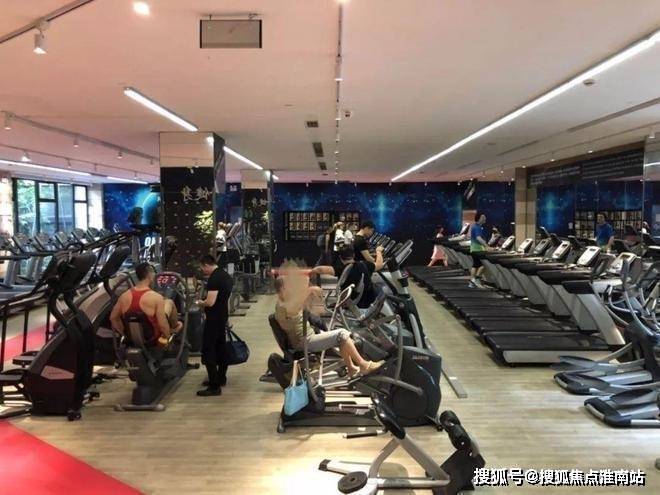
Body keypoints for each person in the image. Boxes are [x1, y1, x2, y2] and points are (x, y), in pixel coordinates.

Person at [274, 275, 383, 377]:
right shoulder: (286, 306)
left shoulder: (283, 303)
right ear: (283, 288)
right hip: (306, 341)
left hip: (305, 338)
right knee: (341, 334)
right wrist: (309, 288)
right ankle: (363, 365)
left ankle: (351, 368)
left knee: (342, 338)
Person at [110, 263, 179, 347]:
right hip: (153, 339)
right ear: (150, 275)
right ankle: (175, 326)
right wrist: (168, 339)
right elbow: (162, 324)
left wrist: (124, 334)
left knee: (168, 302)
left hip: (131, 339)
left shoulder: (124, 296)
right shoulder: (156, 297)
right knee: (169, 302)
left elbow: (113, 318)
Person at [195, 254, 234, 396]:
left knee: (208, 349)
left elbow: (210, 302)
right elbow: (225, 299)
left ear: (206, 265)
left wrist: (200, 302)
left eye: (202, 268)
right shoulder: (225, 276)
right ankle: (221, 377)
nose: (202, 270)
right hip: (222, 316)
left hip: (213, 319)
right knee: (220, 347)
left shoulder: (214, 279)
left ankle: (214, 386)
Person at [469, 212, 489, 288]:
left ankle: (472, 282)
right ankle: (476, 280)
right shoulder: (477, 227)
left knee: (475, 265)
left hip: (474, 249)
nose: (485, 218)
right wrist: (487, 246)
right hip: (477, 249)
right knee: (484, 265)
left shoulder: (476, 226)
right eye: (483, 217)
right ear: (479, 219)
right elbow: (478, 238)